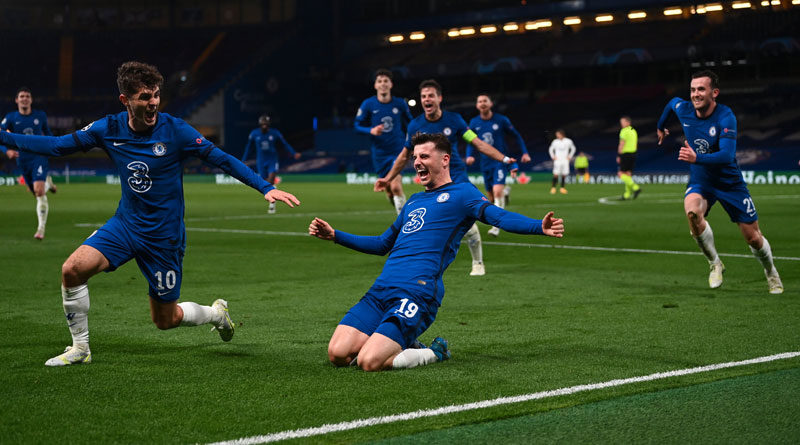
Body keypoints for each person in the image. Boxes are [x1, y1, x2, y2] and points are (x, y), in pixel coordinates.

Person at [0, 61, 301, 366]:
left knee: (165, 320)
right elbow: (55, 146)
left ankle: (215, 314)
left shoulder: (176, 130)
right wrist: (4, 138)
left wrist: (264, 187)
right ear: (125, 100)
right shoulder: (108, 128)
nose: (153, 102)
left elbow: (221, 159)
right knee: (72, 270)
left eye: (156, 95)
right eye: (144, 97)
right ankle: (81, 348)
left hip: (163, 238)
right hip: (126, 225)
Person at [310, 132, 564, 372]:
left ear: (444, 160)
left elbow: (498, 216)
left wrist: (537, 227)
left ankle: (433, 352)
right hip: (381, 290)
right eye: (415, 158)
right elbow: (381, 244)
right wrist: (335, 235)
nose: (417, 162)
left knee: (369, 361)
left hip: (417, 293)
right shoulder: (414, 201)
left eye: (424, 157)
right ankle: (403, 341)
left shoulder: (463, 193)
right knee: (338, 354)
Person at [656, 70, 782, 294]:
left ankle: (771, 271)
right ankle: (715, 262)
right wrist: (660, 125)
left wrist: (696, 158)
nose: (695, 94)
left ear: (714, 92)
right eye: (693, 89)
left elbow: (726, 155)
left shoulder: (726, 117)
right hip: (701, 180)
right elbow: (671, 103)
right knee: (692, 214)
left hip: (729, 182)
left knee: (753, 237)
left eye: (701, 89)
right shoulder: (683, 108)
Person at [374, 79, 516, 276]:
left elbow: (478, 143)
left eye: (430, 95)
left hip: (457, 177)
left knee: (468, 224)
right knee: (429, 224)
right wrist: (388, 178)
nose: (426, 99)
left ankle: (478, 263)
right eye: (423, 96)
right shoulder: (415, 125)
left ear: (439, 98)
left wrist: (504, 158)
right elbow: (404, 155)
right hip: (432, 182)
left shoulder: (455, 120)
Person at [466, 94, 531, 237]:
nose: (482, 103)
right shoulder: (474, 122)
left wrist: (524, 153)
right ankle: (505, 192)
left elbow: (516, 136)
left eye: (485, 101)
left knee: (496, 192)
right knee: (490, 197)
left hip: (500, 161)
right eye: (479, 101)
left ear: (490, 103)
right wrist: (469, 155)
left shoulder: (501, 120)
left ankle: (497, 226)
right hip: (485, 163)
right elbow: (471, 141)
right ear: (477, 105)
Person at [1, 87, 58, 240]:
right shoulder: (11, 117)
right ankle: (49, 183)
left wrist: (52, 147)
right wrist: (6, 150)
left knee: (39, 192)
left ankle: (40, 229)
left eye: (27, 96)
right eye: (21, 96)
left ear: (31, 100)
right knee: (35, 192)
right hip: (22, 159)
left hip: (39, 156)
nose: (24, 98)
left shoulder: (40, 116)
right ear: (17, 100)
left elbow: (49, 133)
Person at [354, 68, 413, 214]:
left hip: (397, 151)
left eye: (386, 81)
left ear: (391, 84)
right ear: (375, 85)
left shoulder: (400, 103)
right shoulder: (368, 104)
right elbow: (357, 125)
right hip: (379, 154)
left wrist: (414, 140)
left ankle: (404, 224)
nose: (383, 84)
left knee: (396, 186)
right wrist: (371, 130)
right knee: (389, 191)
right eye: (379, 81)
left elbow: (411, 123)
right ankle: (401, 212)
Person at [241, 114, 301, 214]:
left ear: (268, 124)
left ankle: (272, 205)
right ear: (260, 124)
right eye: (263, 123)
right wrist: (244, 160)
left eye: (266, 124)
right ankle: (272, 198)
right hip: (261, 160)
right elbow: (249, 147)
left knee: (271, 180)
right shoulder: (254, 134)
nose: (264, 125)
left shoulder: (275, 133)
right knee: (265, 184)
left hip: (272, 160)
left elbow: (284, 143)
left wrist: (293, 153)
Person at [618, 116, 641, 200]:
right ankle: (627, 194)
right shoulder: (633, 131)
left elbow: (622, 144)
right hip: (633, 154)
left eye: (623, 122)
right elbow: (635, 144)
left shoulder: (624, 131)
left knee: (620, 174)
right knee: (628, 174)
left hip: (626, 154)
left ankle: (636, 188)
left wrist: (619, 155)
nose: (621, 124)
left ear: (628, 122)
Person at [547, 129, 575, 194]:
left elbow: (573, 148)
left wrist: (570, 156)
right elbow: (551, 149)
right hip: (558, 160)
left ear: (562, 134)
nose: (557, 136)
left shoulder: (568, 141)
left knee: (564, 175)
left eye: (558, 134)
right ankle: (553, 188)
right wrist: (553, 156)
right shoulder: (555, 141)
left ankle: (562, 188)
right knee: (556, 174)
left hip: (565, 160)